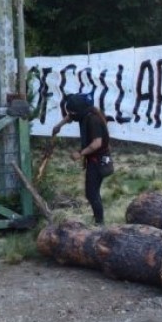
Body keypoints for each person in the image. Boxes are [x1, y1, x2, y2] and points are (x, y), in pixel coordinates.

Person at [52, 93, 112, 224]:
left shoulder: (93, 120)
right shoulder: (84, 113)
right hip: (93, 159)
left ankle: (99, 223)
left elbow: (97, 143)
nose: (71, 114)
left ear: (80, 110)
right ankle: (98, 219)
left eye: (73, 112)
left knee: (91, 193)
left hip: (99, 160)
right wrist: (59, 126)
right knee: (92, 192)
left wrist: (80, 153)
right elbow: (70, 116)